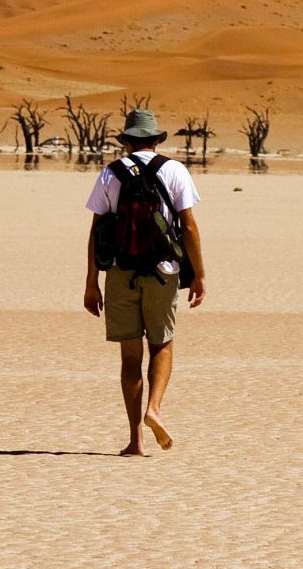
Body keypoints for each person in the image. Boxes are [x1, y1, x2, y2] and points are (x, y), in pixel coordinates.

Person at [82, 108, 207, 456]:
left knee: (130, 356)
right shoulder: (174, 169)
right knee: (162, 345)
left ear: (126, 142)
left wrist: (91, 283)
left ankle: (135, 439)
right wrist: (199, 274)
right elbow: (189, 226)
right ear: (155, 139)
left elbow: (97, 232)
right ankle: (155, 408)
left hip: (120, 273)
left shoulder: (110, 173)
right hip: (163, 272)